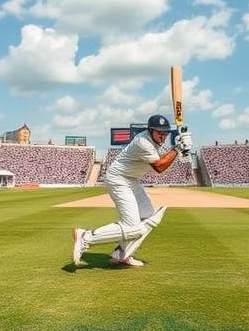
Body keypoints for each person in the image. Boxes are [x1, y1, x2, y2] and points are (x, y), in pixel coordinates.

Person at [72, 114, 192, 267]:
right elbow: (159, 167)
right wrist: (178, 148)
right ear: (150, 130)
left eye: (165, 133)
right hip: (118, 179)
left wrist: (180, 146)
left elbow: (164, 157)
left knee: (148, 217)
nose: (163, 136)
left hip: (132, 180)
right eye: (159, 132)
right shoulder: (143, 142)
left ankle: (122, 254)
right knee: (132, 226)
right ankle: (86, 237)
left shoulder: (153, 141)